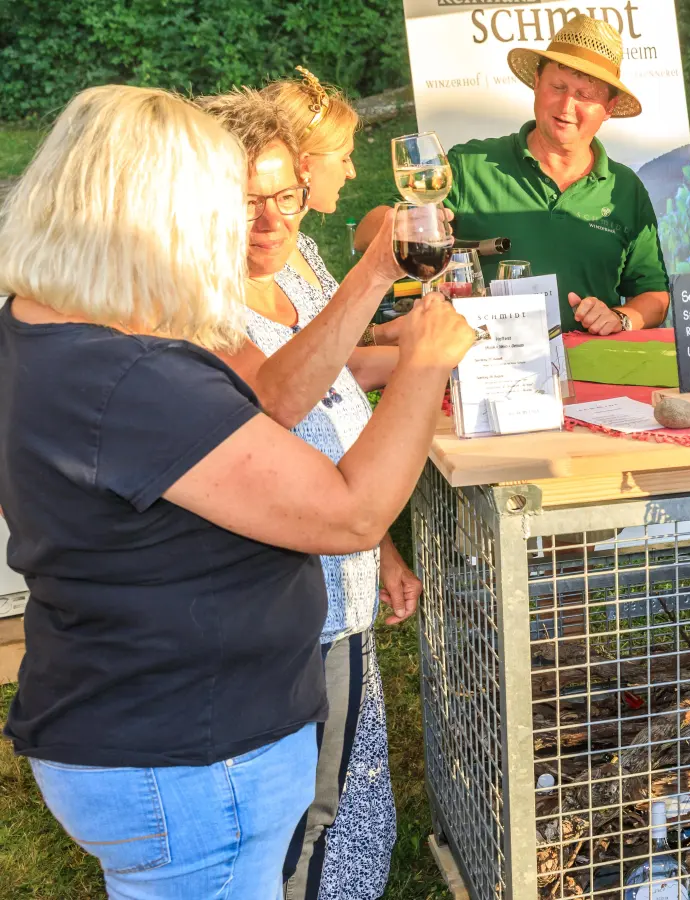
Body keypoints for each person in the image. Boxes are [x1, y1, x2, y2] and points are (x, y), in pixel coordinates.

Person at [0, 85, 475, 899]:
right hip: (191, 755)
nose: (239, 227)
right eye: (222, 204)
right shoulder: (135, 378)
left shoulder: (45, 324)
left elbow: (263, 396)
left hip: (127, 716)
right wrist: (425, 361)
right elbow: (351, 512)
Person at [214, 76, 408, 900]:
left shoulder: (293, 262)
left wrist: (384, 546)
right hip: (287, 587)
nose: (273, 220)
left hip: (345, 566)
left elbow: (334, 388)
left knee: (354, 789)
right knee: (311, 807)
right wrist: (381, 282)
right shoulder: (200, 292)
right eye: (247, 201)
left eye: (286, 196)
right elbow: (279, 397)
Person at [359, 15, 670, 336]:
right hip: (482, 367)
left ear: (608, 107)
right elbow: (366, 233)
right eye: (558, 87)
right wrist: (410, 227)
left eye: (585, 95)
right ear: (536, 83)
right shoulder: (470, 163)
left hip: (592, 368)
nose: (566, 105)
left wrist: (620, 317)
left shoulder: (625, 188)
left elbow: (655, 296)